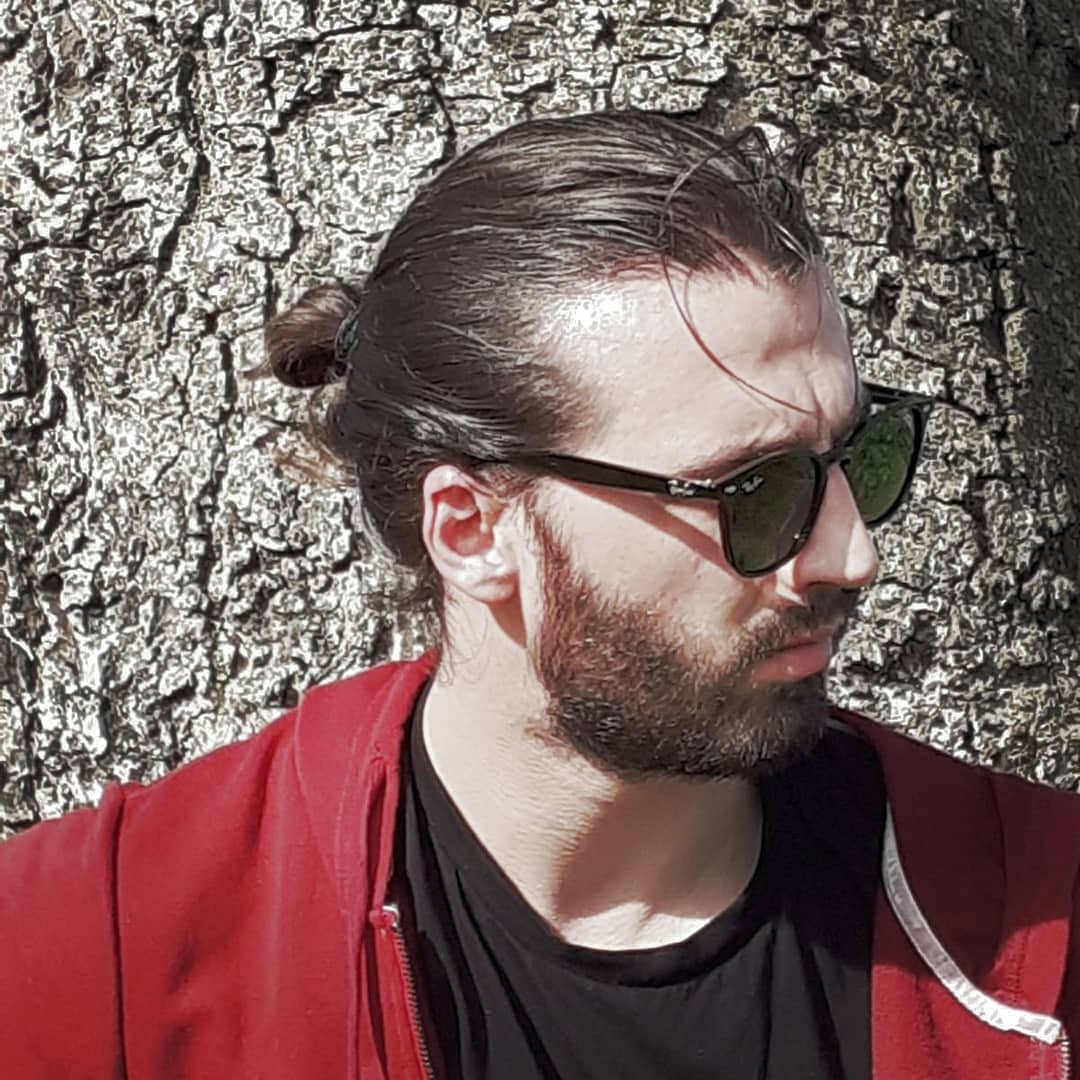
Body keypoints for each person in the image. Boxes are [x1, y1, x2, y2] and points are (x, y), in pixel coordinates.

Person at [1, 109, 1078, 1080]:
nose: (852, 556)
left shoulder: (1039, 921)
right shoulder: (95, 962)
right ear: (474, 532)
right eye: (755, 490)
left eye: (857, 456)